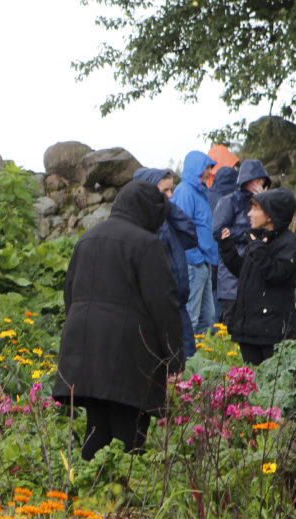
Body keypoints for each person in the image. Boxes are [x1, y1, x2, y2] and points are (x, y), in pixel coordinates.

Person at [53, 179, 185, 461]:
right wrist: (175, 359)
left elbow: (70, 294)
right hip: (129, 355)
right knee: (130, 435)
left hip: (86, 348)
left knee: (97, 427)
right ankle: (122, 487)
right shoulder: (147, 245)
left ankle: (84, 483)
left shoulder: (88, 238)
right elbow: (164, 305)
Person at [218, 188, 296, 366]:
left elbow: (276, 273)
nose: (249, 214)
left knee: (272, 379)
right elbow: (244, 272)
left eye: (255, 209)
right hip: (248, 329)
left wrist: (258, 249)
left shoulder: (288, 243)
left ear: (270, 215)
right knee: (251, 378)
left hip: (272, 331)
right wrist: (227, 248)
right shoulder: (258, 239)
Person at [133, 168, 199, 358]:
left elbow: (190, 234)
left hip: (179, 304)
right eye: (165, 191)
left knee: (188, 361)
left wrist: (166, 206)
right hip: (160, 309)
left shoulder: (167, 217)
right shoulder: (145, 223)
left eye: (171, 190)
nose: (170, 195)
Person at [212, 160, 271, 326]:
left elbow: (274, 228)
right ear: (246, 179)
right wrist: (249, 233)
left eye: (262, 180)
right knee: (232, 326)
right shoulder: (229, 201)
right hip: (232, 278)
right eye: (256, 180)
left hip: (258, 276)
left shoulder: (265, 202)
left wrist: (265, 201)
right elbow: (218, 231)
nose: (260, 183)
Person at [171, 150, 218, 337]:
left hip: (204, 263)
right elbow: (181, 228)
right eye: (207, 168)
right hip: (193, 264)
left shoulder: (200, 192)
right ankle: (185, 354)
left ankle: (201, 353)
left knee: (208, 318)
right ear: (197, 168)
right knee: (191, 316)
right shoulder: (185, 191)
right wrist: (196, 258)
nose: (209, 172)